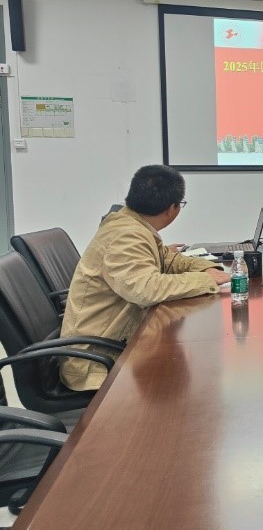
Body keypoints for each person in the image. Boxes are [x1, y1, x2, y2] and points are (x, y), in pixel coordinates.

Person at [61, 165, 230, 391]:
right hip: (96, 363)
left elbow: (168, 261)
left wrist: (209, 269)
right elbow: (145, 290)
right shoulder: (126, 235)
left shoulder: (132, 224)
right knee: (195, 381)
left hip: (117, 343)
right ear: (172, 209)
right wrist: (205, 281)